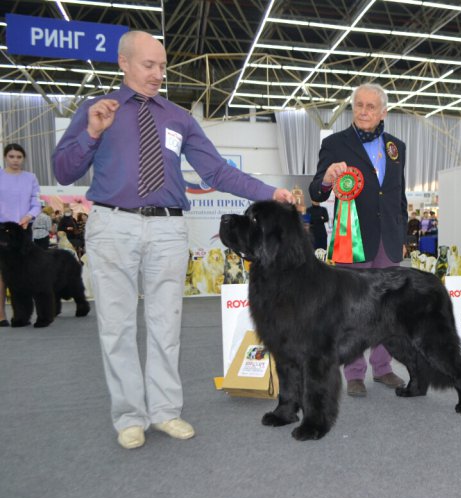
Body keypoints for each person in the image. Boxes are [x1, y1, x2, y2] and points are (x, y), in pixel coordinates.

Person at [52, 31, 293, 450]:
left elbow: (217, 171)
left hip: (167, 228)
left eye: (162, 67)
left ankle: (165, 412)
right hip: (112, 225)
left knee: (166, 325)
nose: (158, 74)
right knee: (117, 326)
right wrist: (91, 134)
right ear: (123, 63)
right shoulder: (97, 110)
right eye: (149, 65)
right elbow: (63, 170)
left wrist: (269, 193)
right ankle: (129, 416)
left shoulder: (178, 117)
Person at [308, 82, 407, 397]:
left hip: (388, 241)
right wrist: (326, 179)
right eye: (359, 105)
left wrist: (402, 234)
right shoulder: (336, 143)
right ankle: (353, 373)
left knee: (388, 308)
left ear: (383, 112)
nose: (364, 111)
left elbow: (398, 196)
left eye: (370, 106)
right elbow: (316, 191)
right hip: (353, 239)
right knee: (353, 308)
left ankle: (383, 368)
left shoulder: (396, 147)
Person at [0, 143, 42, 327]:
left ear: (23, 158)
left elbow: (36, 202)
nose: (15, 160)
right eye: (11, 156)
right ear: (5, 157)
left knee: (24, 274)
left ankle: (22, 314)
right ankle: (1, 315)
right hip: (2, 231)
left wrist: (28, 216)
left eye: (19, 157)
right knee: (2, 274)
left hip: (24, 230)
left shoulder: (30, 177)